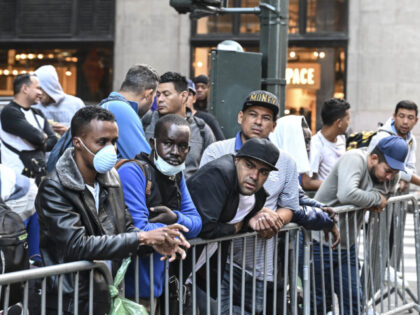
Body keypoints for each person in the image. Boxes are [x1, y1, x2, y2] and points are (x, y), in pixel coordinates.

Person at [36, 106, 190, 315]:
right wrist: (142, 238)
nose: (112, 149)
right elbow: (76, 245)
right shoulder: (55, 186)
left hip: (106, 294)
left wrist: (154, 242)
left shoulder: (112, 178)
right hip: (69, 301)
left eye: (114, 141)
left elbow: (124, 228)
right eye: (102, 142)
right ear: (77, 143)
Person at [311, 136, 408, 315]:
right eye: (387, 170)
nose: (390, 177)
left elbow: (388, 196)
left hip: (347, 246)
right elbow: (347, 194)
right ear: (373, 158)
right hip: (317, 243)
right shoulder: (354, 158)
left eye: (394, 172)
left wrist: (371, 198)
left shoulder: (392, 175)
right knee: (319, 303)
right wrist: (376, 199)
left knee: (355, 299)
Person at [118, 114, 202, 311]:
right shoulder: (134, 172)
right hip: (129, 289)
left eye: (182, 146)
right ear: (153, 143)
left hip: (158, 287)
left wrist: (174, 217)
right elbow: (140, 228)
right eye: (168, 143)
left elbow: (197, 223)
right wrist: (177, 227)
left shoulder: (176, 175)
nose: (175, 152)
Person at [187, 138, 281, 314]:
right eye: (249, 165)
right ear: (237, 160)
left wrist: (247, 222)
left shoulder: (256, 195)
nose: (255, 175)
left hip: (200, 265)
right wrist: (236, 228)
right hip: (173, 262)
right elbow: (206, 226)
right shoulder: (218, 173)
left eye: (263, 171)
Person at [46, 64, 159, 172]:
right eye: (154, 97)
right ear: (147, 94)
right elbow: (146, 164)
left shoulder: (112, 105)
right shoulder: (120, 108)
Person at [144, 72, 215, 179]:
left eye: (166, 94)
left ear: (183, 96)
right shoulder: (146, 122)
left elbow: (211, 171)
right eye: (158, 95)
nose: (160, 99)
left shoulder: (202, 130)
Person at [0, 73, 57, 179]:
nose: (41, 93)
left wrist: (41, 139)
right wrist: (42, 138)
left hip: (38, 176)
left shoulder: (38, 113)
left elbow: (53, 141)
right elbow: (37, 137)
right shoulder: (10, 112)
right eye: (38, 88)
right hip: (16, 179)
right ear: (25, 88)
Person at [368, 100, 419, 192]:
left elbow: (410, 168)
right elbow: (372, 166)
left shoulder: (411, 140)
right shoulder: (381, 137)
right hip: (373, 190)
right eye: (401, 116)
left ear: (416, 120)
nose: (405, 121)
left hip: (392, 193)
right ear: (394, 116)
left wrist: (405, 180)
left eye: (410, 117)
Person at [301, 98, 351, 191]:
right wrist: (336, 185)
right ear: (339, 123)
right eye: (348, 119)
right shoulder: (316, 144)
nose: (349, 123)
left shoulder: (342, 139)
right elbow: (306, 182)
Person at [33, 65, 84, 135]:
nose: (38, 93)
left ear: (49, 86)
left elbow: (86, 132)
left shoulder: (75, 104)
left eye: (40, 88)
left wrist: (68, 133)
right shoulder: (34, 106)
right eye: (36, 88)